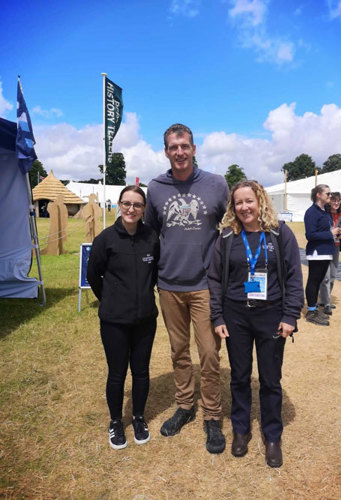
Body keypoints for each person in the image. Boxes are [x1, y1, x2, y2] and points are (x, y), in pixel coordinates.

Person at [145, 123, 229, 454]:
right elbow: (151, 235)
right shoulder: (156, 188)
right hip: (169, 286)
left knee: (209, 353)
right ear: (166, 152)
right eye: (173, 147)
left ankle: (211, 415)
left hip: (206, 286)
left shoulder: (216, 184)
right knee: (179, 351)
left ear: (194, 149)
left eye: (185, 146)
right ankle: (184, 405)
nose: (179, 152)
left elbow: (231, 226)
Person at [208, 180, 303, 467]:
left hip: (271, 315)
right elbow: (213, 278)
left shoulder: (279, 234)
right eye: (239, 202)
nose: (244, 207)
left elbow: (294, 277)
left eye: (249, 200)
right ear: (232, 207)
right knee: (239, 376)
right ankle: (241, 430)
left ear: (260, 201)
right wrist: (217, 316)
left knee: (271, 379)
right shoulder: (226, 237)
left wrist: (290, 317)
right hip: (236, 315)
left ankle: (272, 436)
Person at [87, 185, 159, 450]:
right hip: (114, 320)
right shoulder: (105, 239)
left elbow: (155, 272)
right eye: (126, 203)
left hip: (145, 319)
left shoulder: (151, 237)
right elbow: (93, 275)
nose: (131, 209)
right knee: (117, 373)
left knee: (141, 372)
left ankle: (139, 418)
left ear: (144, 209)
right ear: (119, 205)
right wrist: (111, 299)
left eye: (137, 205)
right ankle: (116, 421)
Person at [304, 184, 341, 326]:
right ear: (318, 195)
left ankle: (314, 308)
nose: (330, 196)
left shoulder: (324, 212)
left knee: (318, 281)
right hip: (317, 252)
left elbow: (325, 231)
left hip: (326, 251)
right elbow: (310, 235)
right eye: (328, 194)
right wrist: (329, 233)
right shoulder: (312, 212)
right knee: (313, 281)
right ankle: (311, 311)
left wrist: (336, 233)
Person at [318, 192, 341, 315]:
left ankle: (324, 300)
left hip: (336, 247)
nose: (336, 203)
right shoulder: (324, 214)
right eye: (334, 200)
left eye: (338, 201)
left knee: (333, 275)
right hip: (324, 246)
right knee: (325, 276)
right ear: (329, 201)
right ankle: (327, 303)